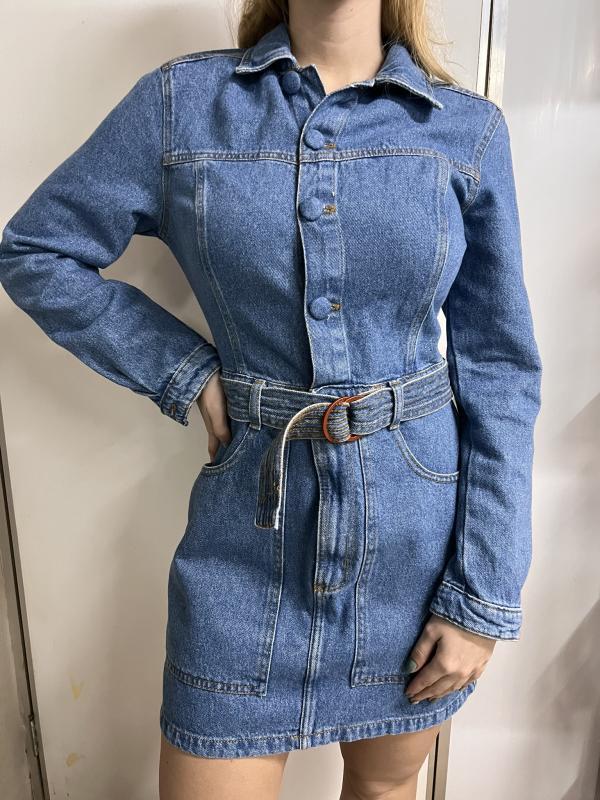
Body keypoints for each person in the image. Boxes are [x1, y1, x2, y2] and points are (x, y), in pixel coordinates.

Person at [0, 0, 543, 798]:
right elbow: (37, 251)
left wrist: (482, 594)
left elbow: (500, 369)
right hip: (244, 547)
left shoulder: (465, 130)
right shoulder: (182, 105)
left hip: (414, 549)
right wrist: (186, 373)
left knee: (385, 787)